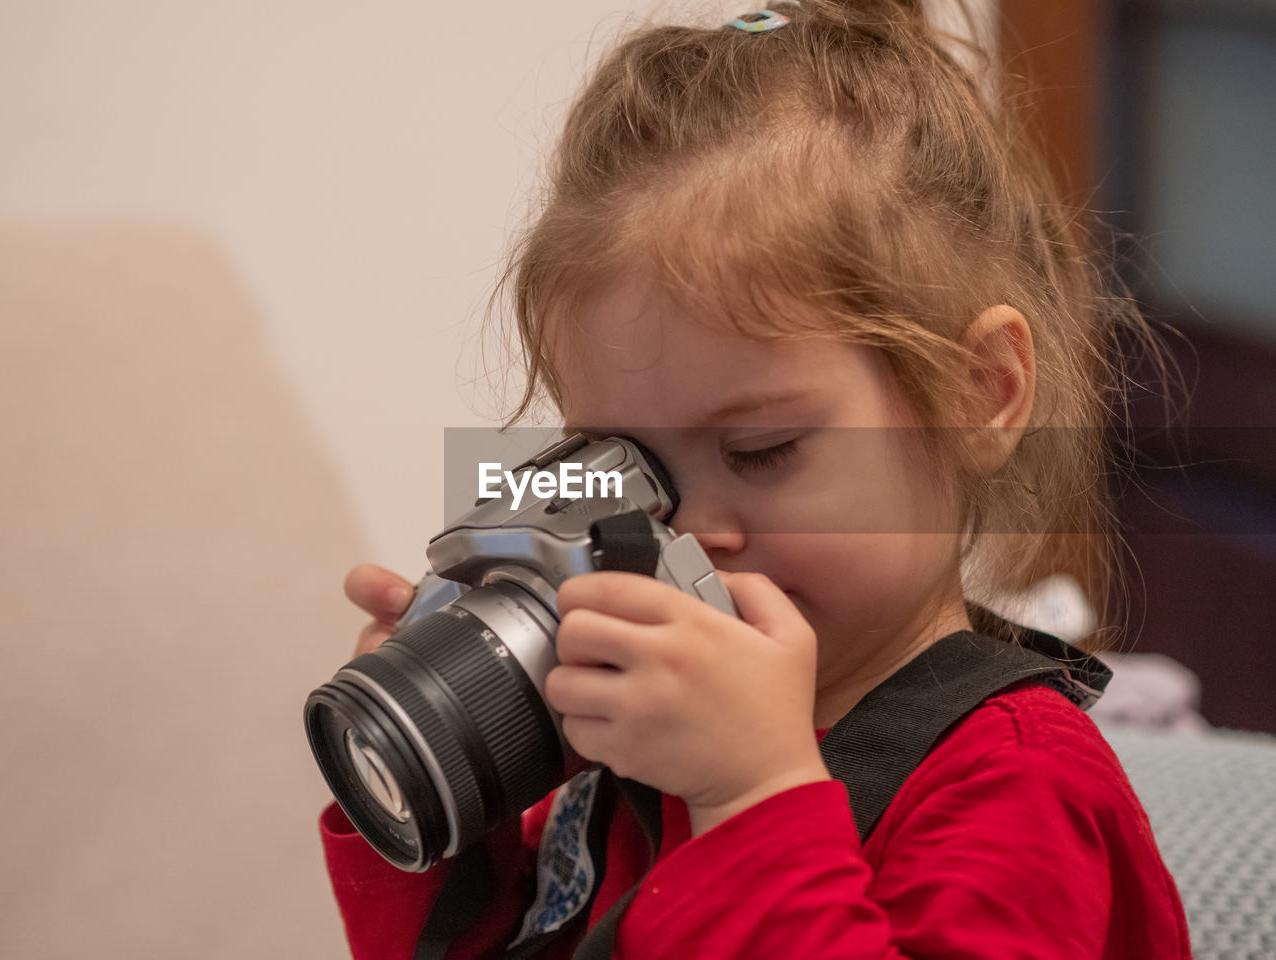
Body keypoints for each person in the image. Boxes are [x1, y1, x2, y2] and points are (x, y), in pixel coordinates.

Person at [319, 1, 1190, 957]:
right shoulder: (641, 734)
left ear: (979, 393)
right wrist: (451, 807)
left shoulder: (1018, 788)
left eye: (764, 449)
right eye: (621, 470)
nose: (683, 533)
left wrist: (750, 802)